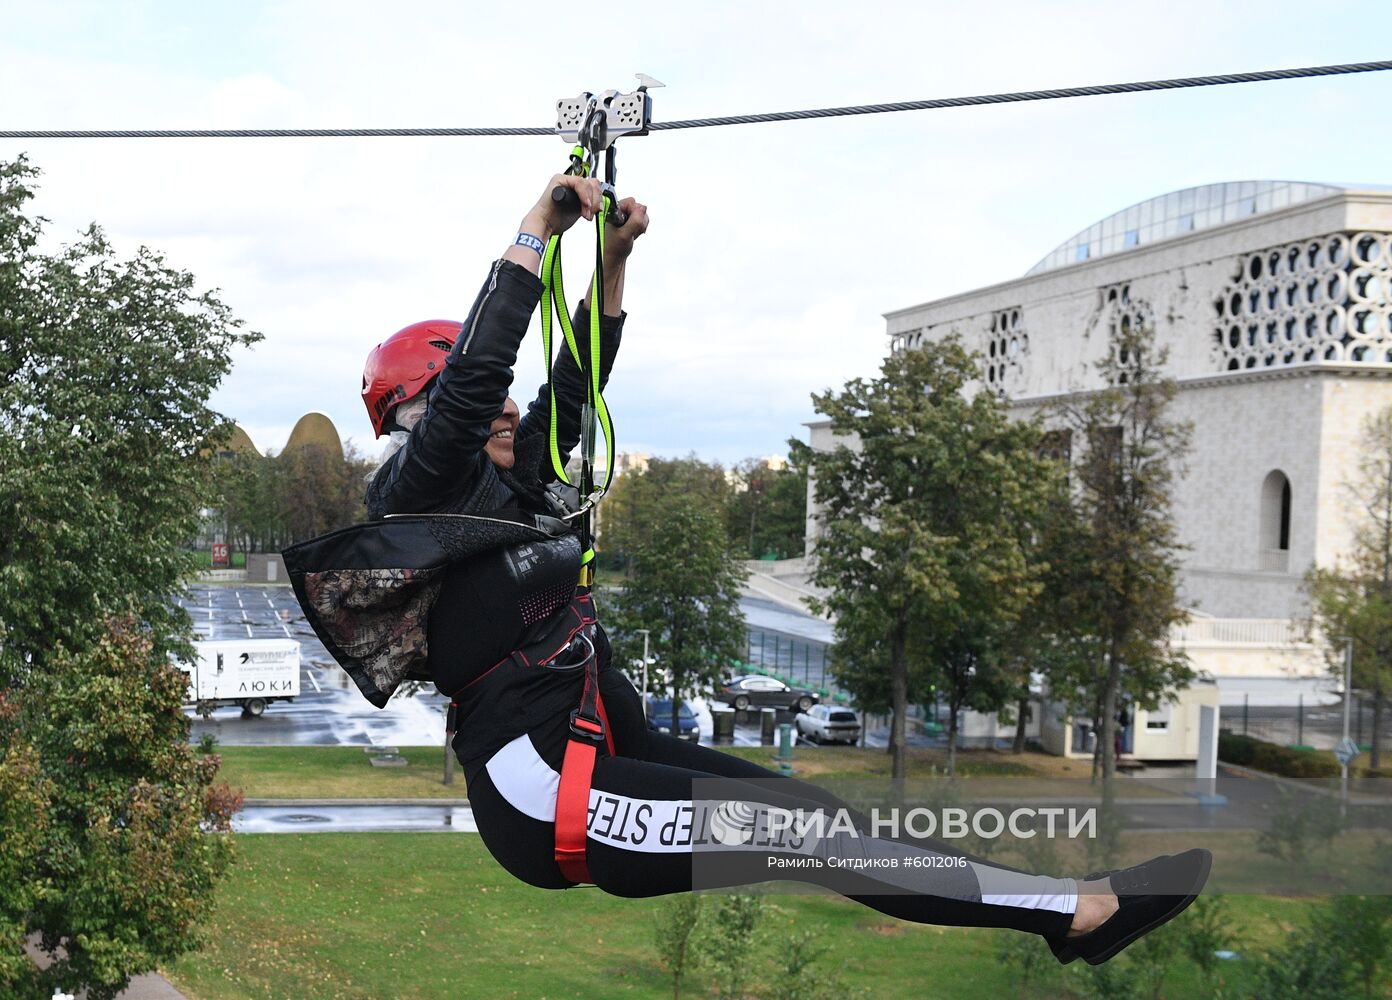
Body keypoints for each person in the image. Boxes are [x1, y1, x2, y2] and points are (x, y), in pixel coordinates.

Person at [294, 172, 1211, 969]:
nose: (500, 407)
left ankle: (1065, 906)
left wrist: (614, 260)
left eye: (497, 399)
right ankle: (1074, 912)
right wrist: (538, 226)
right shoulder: (414, 498)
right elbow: (477, 377)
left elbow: (574, 384)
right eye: (471, 397)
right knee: (803, 838)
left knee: (818, 817)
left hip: (601, 744)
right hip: (544, 786)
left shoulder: (508, 487)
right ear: (414, 413)